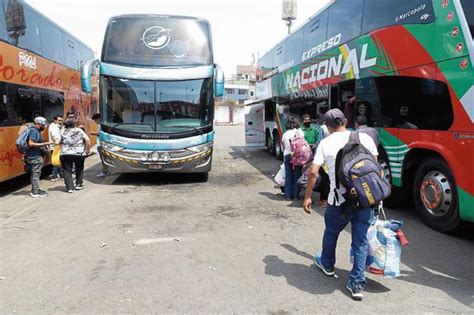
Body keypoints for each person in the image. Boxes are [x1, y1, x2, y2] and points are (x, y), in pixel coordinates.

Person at [303, 109, 378, 301]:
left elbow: (313, 172)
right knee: (360, 242)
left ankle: (327, 264)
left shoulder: (325, 143)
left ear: (328, 127)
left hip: (339, 202)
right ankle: (356, 284)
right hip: (365, 200)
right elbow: (376, 169)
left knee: (331, 232)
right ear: (345, 121)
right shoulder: (365, 138)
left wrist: (308, 197)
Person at [59, 118, 91, 193]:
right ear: (74, 124)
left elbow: (57, 140)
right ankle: (78, 184)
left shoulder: (62, 131)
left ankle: (70, 188)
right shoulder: (79, 130)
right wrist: (88, 150)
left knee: (67, 170)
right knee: (79, 168)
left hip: (65, 153)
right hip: (79, 153)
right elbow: (88, 140)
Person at [26, 117, 52, 198]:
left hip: (35, 155)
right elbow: (31, 143)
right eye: (43, 125)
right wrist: (44, 144)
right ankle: (35, 191)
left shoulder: (35, 130)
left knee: (35, 173)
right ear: (38, 124)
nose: (44, 127)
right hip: (35, 156)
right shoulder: (34, 131)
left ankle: (35, 189)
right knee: (36, 174)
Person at [281, 118, 304, 200]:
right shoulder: (299, 132)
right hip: (297, 156)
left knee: (288, 175)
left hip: (287, 155)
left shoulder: (285, 134)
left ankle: (287, 195)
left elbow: (284, 146)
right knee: (297, 175)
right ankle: (295, 196)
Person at [91, 113, 109, 177]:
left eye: (95, 120)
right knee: (103, 158)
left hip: (101, 144)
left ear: (98, 119)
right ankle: (106, 171)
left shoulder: (101, 125)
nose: (95, 122)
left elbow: (100, 134)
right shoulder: (101, 125)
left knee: (103, 158)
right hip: (100, 144)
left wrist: (92, 133)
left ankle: (105, 172)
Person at [48, 115, 64, 181]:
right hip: (55, 147)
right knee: (56, 161)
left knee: (58, 161)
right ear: (55, 120)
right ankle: (54, 176)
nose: (61, 122)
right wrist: (58, 141)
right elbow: (56, 137)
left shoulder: (56, 127)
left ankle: (60, 174)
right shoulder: (54, 127)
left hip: (56, 147)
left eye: (61, 120)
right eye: (59, 120)